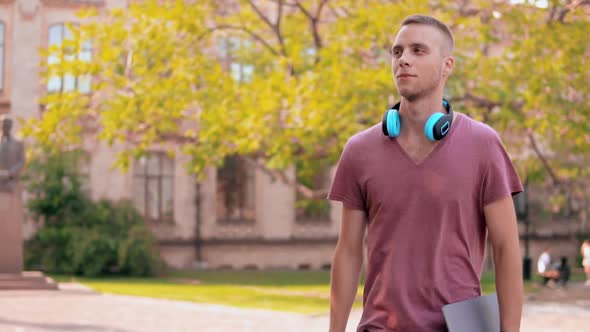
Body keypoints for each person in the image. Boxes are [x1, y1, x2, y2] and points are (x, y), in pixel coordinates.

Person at [327, 15, 524, 332]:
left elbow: (506, 248)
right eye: (397, 51)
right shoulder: (359, 150)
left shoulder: (483, 145)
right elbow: (348, 252)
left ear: (448, 65)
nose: (403, 59)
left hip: (460, 327)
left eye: (418, 50)